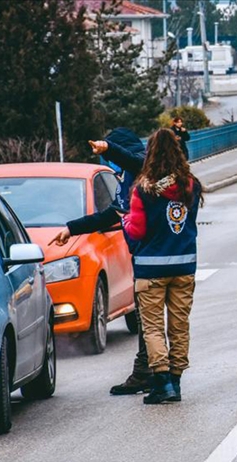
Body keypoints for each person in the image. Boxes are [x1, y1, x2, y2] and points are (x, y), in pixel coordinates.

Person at [48, 128, 153, 396]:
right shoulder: (126, 177)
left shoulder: (145, 169)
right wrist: (72, 228)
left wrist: (109, 148)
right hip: (141, 258)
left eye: (112, 157)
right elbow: (111, 215)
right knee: (147, 321)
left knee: (151, 321)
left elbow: (135, 161)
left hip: (154, 258)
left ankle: (159, 376)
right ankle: (149, 373)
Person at [122, 128, 202, 404]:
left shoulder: (143, 190)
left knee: (153, 327)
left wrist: (125, 223)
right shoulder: (191, 185)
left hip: (150, 269)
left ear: (150, 153)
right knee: (179, 326)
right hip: (184, 267)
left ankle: (162, 383)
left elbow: (138, 231)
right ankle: (177, 383)